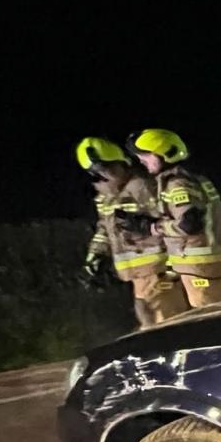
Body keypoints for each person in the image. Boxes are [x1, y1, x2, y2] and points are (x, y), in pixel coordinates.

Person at [75, 136, 189, 327]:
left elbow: (173, 224)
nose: (104, 176)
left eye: (108, 168)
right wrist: (95, 258)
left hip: (160, 271)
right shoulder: (105, 198)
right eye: (97, 173)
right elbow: (105, 228)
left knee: (170, 326)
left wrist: (172, 266)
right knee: (149, 322)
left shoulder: (144, 188)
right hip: (136, 275)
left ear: (123, 163)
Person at [127, 128, 221, 307]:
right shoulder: (193, 178)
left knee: (213, 321)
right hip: (208, 265)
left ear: (162, 154)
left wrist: (154, 228)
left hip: (200, 268)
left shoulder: (178, 184)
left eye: (145, 155)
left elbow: (189, 224)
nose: (141, 160)